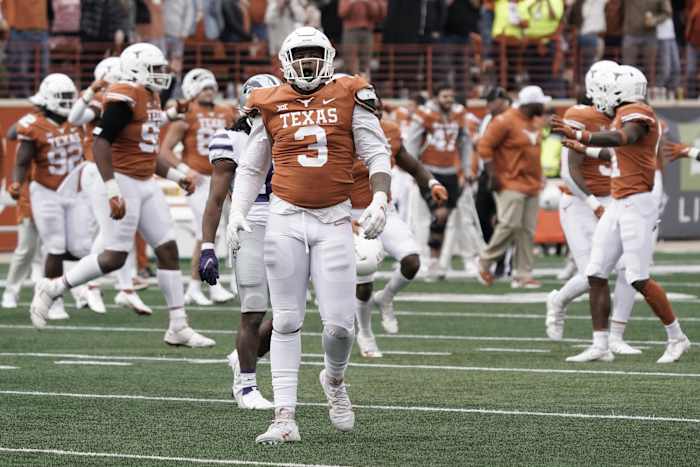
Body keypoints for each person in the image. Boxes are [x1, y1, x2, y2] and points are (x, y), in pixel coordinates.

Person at [226, 27, 391, 444]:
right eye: (299, 55)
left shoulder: (351, 92)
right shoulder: (268, 101)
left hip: (333, 218)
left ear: (329, 57)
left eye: (314, 54)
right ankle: (284, 417)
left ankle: (333, 380)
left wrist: (380, 198)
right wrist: (238, 213)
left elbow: (376, 152)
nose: (307, 63)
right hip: (284, 217)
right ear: (284, 60)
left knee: (339, 328)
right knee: (285, 319)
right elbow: (250, 167)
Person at [29, 43, 216, 349]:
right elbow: (102, 143)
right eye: (155, 69)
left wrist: (177, 176)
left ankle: (178, 326)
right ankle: (53, 287)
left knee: (168, 250)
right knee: (114, 256)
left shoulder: (152, 97)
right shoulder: (123, 95)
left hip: (144, 181)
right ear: (136, 69)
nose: (162, 75)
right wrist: (112, 189)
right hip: (122, 180)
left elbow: (146, 152)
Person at [553, 65, 690, 363]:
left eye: (605, 89)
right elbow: (615, 153)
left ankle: (677, 337)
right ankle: (600, 344)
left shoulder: (637, 112)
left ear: (620, 91)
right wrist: (582, 146)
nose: (599, 95)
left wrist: (584, 135)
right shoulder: (623, 113)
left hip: (637, 202)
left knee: (638, 276)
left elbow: (622, 138)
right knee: (595, 272)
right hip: (619, 202)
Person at [544, 60, 639, 356]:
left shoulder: (624, 116)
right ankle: (558, 301)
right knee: (591, 273)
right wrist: (594, 205)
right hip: (580, 201)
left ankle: (613, 338)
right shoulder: (578, 115)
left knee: (629, 268)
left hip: (613, 198)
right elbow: (569, 172)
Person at [200, 74, 281, 410]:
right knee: (253, 309)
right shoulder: (230, 139)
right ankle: (246, 386)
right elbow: (216, 198)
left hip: (289, 223)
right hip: (249, 223)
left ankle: (240, 357)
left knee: (290, 315)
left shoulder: (289, 132)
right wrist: (207, 246)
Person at [351, 99, 448, 354]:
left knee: (412, 261)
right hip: (350, 213)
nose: (377, 115)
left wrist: (432, 183)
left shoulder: (389, 130)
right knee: (365, 275)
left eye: (379, 110)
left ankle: (386, 297)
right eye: (371, 110)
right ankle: (365, 333)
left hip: (384, 209)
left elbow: (411, 164)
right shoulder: (339, 134)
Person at [68, 56, 152, 316]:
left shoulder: (129, 97)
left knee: (118, 232)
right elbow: (75, 117)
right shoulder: (105, 97)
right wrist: (93, 89)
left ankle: (125, 288)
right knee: (111, 232)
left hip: (115, 170)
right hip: (98, 170)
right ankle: (86, 284)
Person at [12, 74, 93, 321]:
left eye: (71, 97)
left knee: (80, 247)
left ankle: (50, 284)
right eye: (63, 98)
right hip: (46, 192)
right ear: (47, 99)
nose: (68, 102)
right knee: (56, 246)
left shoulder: (78, 119)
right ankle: (54, 301)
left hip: (75, 192)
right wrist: (17, 181)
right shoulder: (33, 124)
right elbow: (23, 159)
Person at [160, 68, 237, 306]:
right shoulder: (186, 114)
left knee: (231, 230)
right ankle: (194, 286)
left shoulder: (226, 112)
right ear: (193, 90)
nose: (210, 91)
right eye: (205, 87)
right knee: (206, 233)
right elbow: (164, 151)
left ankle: (222, 283)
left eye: (212, 87)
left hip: (225, 178)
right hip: (201, 180)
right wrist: (186, 171)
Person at [476, 85, 548, 289]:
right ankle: (485, 260)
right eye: (541, 102)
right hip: (509, 181)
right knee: (509, 224)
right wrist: (493, 175)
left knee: (527, 230)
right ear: (530, 104)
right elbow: (484, 147)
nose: (544, 105)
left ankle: (523, 274)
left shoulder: (534, 121)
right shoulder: (505, 120)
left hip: (531, 183)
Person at [404, 83, 469, 280]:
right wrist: (414, 170)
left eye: (451, 96)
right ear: (435, 98)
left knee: (444, 218)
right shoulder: (425, 114)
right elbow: (412, 142)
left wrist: (465, 169)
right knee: (439, 214)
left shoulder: (459, 113)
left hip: (450, 172)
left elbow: (465, 142)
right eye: (444, 96)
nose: (449, 100)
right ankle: (431, 260)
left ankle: (436, 260)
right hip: (430, 172)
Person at [337, 0, 387, 77]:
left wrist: (367, 2)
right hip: (350, 30)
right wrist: (352, 2)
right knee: (350, 60)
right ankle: (352, 80)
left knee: (366, 61)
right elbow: (342, 12)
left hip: (367, 30)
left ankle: (364, 81)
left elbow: (379, 13)